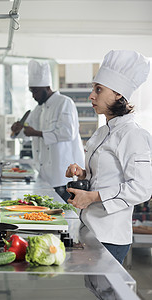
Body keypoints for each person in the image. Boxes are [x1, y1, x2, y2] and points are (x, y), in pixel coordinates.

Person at [65, 50, 152, 264]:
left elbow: (142, 188)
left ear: (119, 94)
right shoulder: (103, 131)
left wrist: (93, 197)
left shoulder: (133, 135)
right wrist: (82, 173)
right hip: (89, 228)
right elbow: (106, 176)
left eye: (98, 89)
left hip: (110, 236)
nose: (91, 96)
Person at [11, 60, 84, 200]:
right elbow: (25, 132)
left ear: (46, 87)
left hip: (63, 175)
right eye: (31, 91)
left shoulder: (64, 103)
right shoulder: (38, 109)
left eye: (36, 91)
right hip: (44, 174)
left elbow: (68, 132)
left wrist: (36, 133)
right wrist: (17, 129)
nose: (33, 96)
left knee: (66, 215)